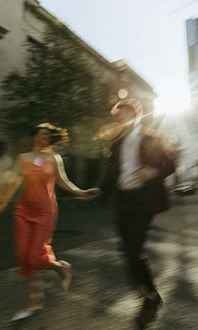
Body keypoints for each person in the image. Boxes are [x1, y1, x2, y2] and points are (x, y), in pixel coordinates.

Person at [0, 123, 97, 320]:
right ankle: (35, 303)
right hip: (23, 210)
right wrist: (3, 202)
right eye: (43, 134)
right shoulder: (23, 158)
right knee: (24, 257)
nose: (46, 138)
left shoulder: (53, 158)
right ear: (35, 137)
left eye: (49, 136)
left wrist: (80, 192)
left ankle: (60, 267)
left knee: (34, 256)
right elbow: (15, 181)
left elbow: (62, 181)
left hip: (45, 212)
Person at [100, 98, 175, 329]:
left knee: (133, 246)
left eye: (122, 114)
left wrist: (153, 171)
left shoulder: (151, 137)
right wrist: (97, 191)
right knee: (128, 250)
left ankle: (150, 298)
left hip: (144, 199)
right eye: (117, 115)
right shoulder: (117, 144)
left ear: (134, 115)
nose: (118, 119)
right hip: (124, 200)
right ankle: (147, 291)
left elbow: (170, 164)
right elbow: (112, 174)